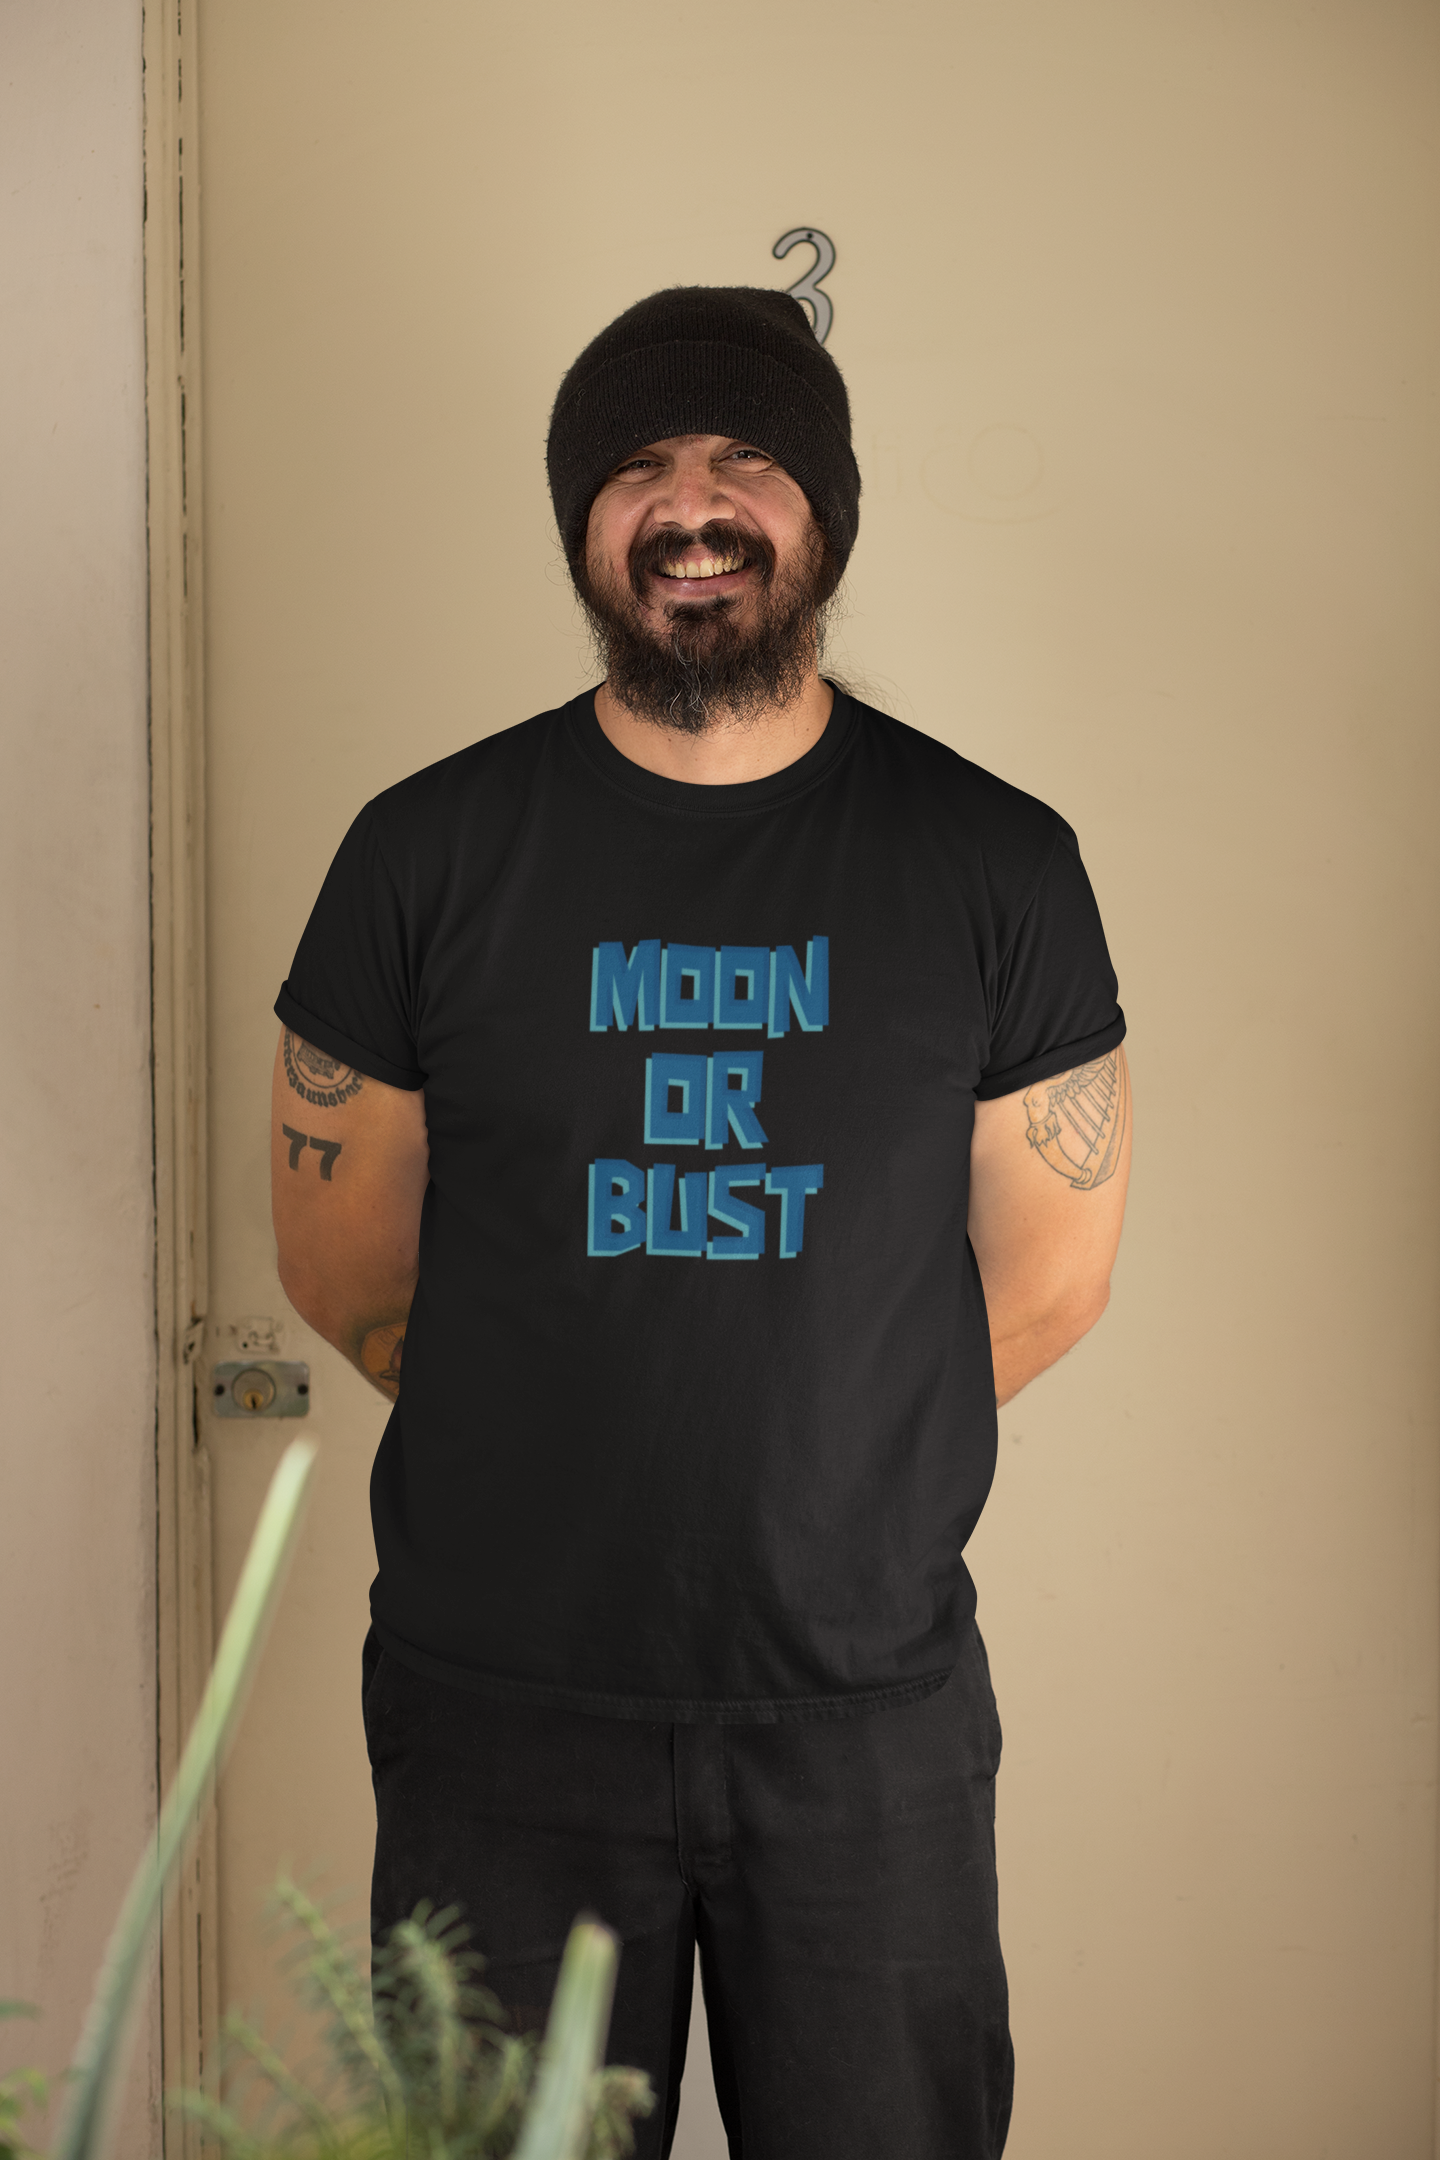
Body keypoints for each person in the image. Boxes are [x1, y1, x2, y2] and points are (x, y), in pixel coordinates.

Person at [271, 285, 1130, 2160]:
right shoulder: (424, 855)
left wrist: (819, 1449)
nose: (692, 504)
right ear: (583, 520)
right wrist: (555, 1429)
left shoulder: (992, 863)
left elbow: (1049, 1275)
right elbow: (340, 1263)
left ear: (822, 511)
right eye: (640, 466)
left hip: (864, 1731)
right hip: (497, 1719)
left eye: (746, 458)